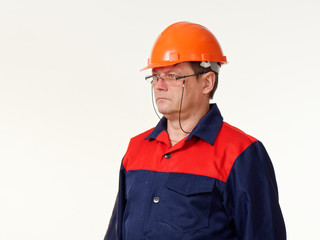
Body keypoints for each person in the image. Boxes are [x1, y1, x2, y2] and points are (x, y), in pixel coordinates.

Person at [104, 21, 286, 240]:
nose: (159, 85)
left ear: (207, 82)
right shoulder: (137, 149)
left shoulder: (241, 154)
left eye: (172, 76)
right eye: (155, 76)